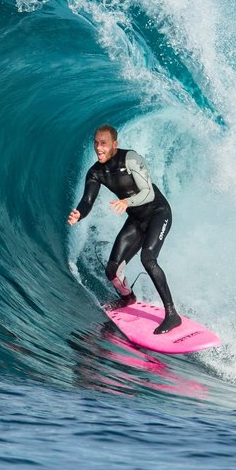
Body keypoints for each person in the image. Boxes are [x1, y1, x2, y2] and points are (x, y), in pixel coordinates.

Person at [67, 124, 182, 334]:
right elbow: (88, 200)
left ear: (114, 144)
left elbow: (148, 193)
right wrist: (79, 213)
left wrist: (127, 202)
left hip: (159, 213)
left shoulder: (130, 159)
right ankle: (128, 298)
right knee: (111, 270)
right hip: (137, 220)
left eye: (103, 144)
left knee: (148, 259)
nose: (98, 148)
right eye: (96, 143)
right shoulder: (95, 173)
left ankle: (172, 314)